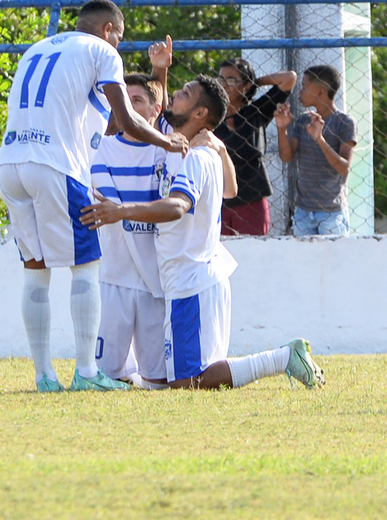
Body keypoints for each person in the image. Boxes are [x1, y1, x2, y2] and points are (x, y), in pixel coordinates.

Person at [80, 75, 325, 390]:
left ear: (199, 113)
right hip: (186, 280)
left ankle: (283, 358)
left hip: (192, 281)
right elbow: (231, 190)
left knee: (188, 380)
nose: (175, 95)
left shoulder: (196, 157)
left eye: (185, 93)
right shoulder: (181, 148)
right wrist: (220, 150)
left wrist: (121, 211)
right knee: (171, 381)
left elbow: (177, 206)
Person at [0, 0, 187, 393]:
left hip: (10, 163)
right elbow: (128, 119)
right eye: (119, 37)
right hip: (55, 165)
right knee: (86, 265)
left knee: (35, 269)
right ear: (107, 30)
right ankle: (86, 372)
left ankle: (44, 376)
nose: (118, 45)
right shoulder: (102, 51)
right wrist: (166, 141)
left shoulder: (37, 49)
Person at [89, 72, 170, 387]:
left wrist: (161, 69)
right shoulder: (102, 149)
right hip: (115, 276)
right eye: (124, 101)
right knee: (105, 375)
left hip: (156, 280)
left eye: (137, 100)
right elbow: (108, 208)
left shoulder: (166, 152)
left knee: (158, 381)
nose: (128, 108)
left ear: (155, 109)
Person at [214, 58, 296, 235]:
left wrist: (255, 83)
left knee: (253, 249)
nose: (224, 85)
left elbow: (289, 78)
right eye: (221, 79)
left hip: (252, 201)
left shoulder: (256, 112)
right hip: (217, 202)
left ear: (245, 85)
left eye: (231, 80)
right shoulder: (210, 117)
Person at [275, 64, 357, 237]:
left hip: (331, 212)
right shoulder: (303, 120)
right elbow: (286, 156)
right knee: (303, 254)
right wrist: (282, 129)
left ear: (320, 92)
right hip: (303, 211)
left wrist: (319, 139)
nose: (300, 92)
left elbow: (343, 167)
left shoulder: (345, 123)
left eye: (304, 86)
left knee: (333, 254)